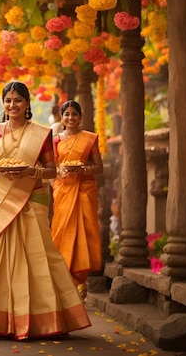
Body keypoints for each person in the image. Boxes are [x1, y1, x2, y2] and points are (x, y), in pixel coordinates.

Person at [0, 81, 90, 340]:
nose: (12, 105)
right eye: (8, 100)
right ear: (3, 104)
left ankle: (46, 317)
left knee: (39, 255)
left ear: (27, 104)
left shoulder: (41, 134)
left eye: (18, 100)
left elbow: (51, 170)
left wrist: (31, 171)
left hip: (31, 199)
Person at [51, 100, 104, 300]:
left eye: (74, 114)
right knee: (62, 232)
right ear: (61, 117)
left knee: (85, 233)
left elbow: (99, 167)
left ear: (80, 117)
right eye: (67, 114)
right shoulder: (56, 141)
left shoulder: (89, 139)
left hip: (84, 189)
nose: (71, 118)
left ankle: (82, 282)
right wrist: (60, 171)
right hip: (64, 190)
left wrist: (83, 169)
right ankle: (65, 282)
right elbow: (53, 168)